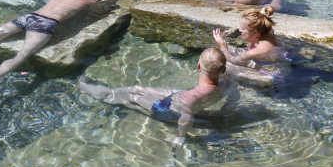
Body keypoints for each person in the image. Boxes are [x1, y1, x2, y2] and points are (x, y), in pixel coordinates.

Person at [78, 47, 239, 147]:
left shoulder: (191, 97)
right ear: (224, 70)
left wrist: (181, 137)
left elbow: (185, 120)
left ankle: (94, 90)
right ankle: (112, 91)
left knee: (132, 97)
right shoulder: (228, 84)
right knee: (140, 89)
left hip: (168, 108)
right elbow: (233, 99)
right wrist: (224, 112)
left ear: (198, 66)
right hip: (178, 97)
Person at [212, 6, 288, 80]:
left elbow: (233, 59)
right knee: (228, 50)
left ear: (255, 32)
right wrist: (233, 29)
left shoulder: (255, 51)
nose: (240, 30)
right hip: (275, 61)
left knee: (222, 64)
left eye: (243, 28)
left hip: (272, 73)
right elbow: (252, 26)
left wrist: (223, 44)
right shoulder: (268, 31)